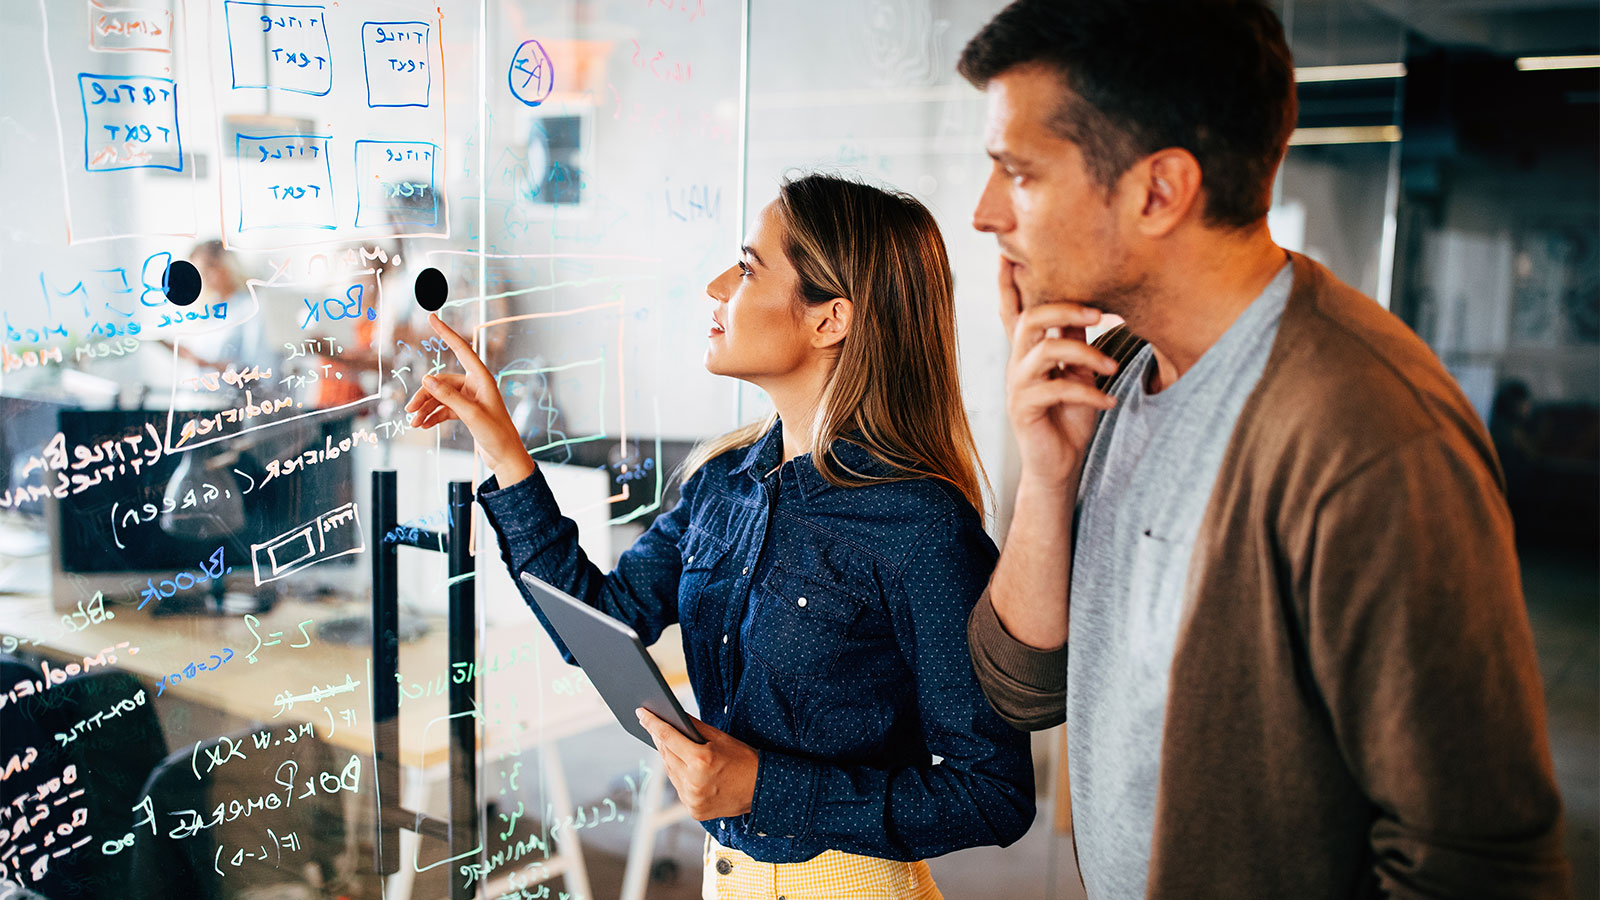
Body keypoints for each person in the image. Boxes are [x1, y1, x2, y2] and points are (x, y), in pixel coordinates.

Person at [956, 1, 1569, 898]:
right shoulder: (1115, 374)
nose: (983, 215)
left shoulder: (1369, 435)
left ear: (1159, 191)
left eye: (1017, 173)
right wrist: (1048, 479)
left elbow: (1482, 867)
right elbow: (1022, 692)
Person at [406, 173, 1034, 899]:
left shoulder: (920, 525)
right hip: (726, 879)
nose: (715, 288)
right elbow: (596, 626)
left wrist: (765, 788)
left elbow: (993, 793)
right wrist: (503, 451)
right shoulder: (721, 482)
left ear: (830, 320)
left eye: (746, 268)